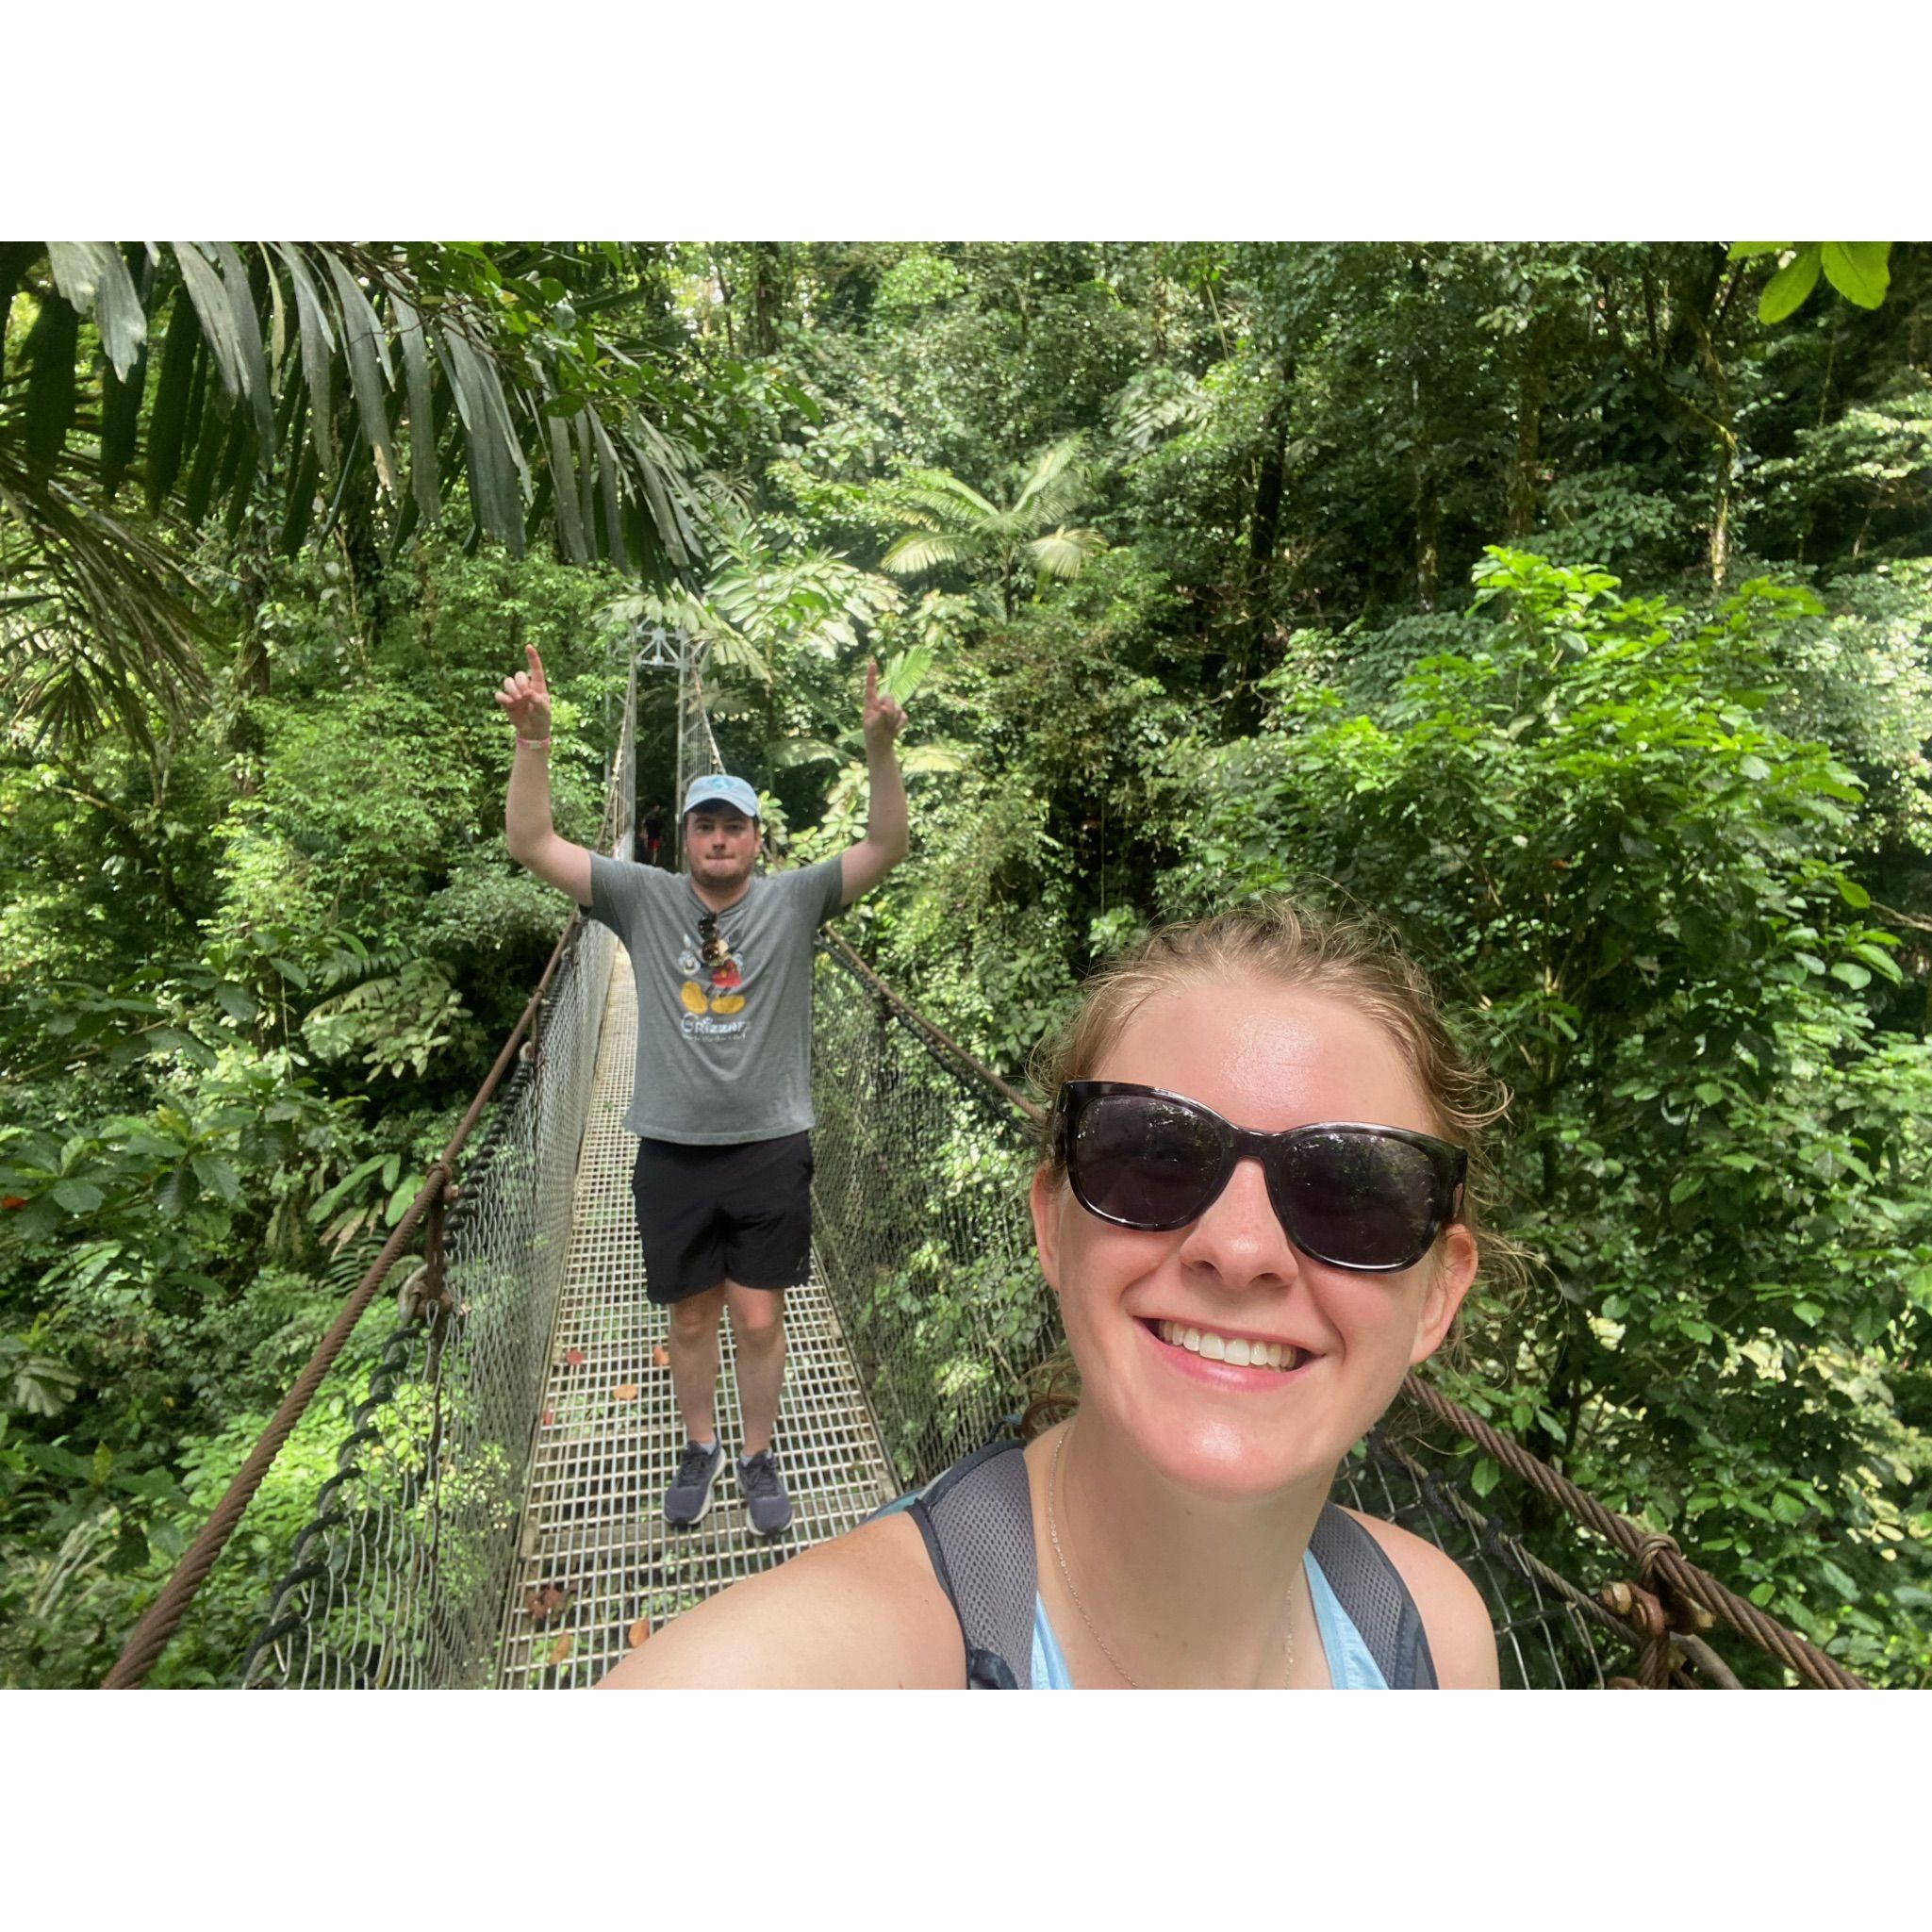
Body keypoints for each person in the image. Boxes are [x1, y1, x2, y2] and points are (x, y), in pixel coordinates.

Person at [599, 901, 1509, 1687]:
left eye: (1352, 1193)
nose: (1238, 1250)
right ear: (1051, 1224)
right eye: (1152, 1156)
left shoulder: (1434, 1638)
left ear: (1438, 1294)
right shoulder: (793, 1668)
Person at [497, 644, 908, 1536]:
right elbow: (532, 843)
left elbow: (886, 844)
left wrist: (879, 749)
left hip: (769, 1145)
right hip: (673, 1148)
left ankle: (757, 1454)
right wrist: (534, 743)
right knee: (691, 1319)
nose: (719, 839)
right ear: (683, 839)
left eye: (734, 826)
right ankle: (701, 1445)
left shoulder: (796, 901)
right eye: (704, 826)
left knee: (757, 1320)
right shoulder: (640, 898)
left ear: (758, 839)